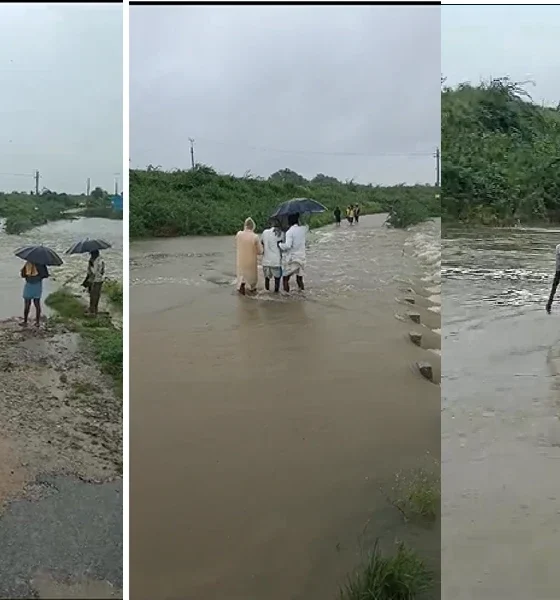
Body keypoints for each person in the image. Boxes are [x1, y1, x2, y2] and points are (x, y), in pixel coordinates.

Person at [279, 212, 306, 292]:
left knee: (285, 278)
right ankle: (302, 294)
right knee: (299, 279)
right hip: (302, 258)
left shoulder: (289, 232)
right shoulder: (303, 229)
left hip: (293, 259)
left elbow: (288, 245)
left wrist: (280, 244)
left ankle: (286, 298)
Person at [236, 217, 262, 295]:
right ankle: (251, 296)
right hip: (251, 261)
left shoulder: (239, 234)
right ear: (253, 226)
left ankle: (242, 297)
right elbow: (260, 251)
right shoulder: (255, 237)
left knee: (241, 278)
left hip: (241, 260)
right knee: (252, 280)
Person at [21, 261, 49, 327]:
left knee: (27, 304)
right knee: (37, 303)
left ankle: (25, 321)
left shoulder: (27, 264)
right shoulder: (41, 264)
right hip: (37, 285)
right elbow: (46, 275)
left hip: (29, 285)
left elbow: (23, 275)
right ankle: (37, 322)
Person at [261, 218, 283, 293]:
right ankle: (276, 294)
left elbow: (262, 243)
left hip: (266, 260)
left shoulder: (264, 232)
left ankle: (267, 293)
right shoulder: (280, 234)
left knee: (267, 279)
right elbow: (282, 247)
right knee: (277, 280)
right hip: (276, 261)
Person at [82, 250, 105, 316]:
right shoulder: (95, 260)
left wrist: (91, 265)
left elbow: (95, 272)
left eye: (91, 254)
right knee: (92, 295)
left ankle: (93, 311)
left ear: (95, 254)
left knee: (95, 296)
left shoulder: (99, 261)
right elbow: (89, 272)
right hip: (93, 280)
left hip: (97, 280)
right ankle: (92, 309)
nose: (91, 256)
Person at [546, 243, 560, 314]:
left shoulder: (558, 246)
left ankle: (549, 305)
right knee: (553, 289)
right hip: (559, 271)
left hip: (558, 271)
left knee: (553, 289)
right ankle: (548, 305)